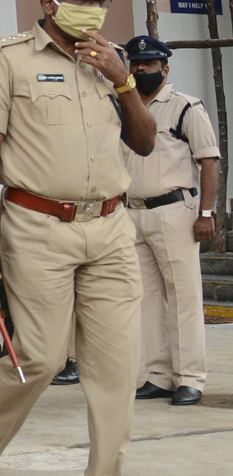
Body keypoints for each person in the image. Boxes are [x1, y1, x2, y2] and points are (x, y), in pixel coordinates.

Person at [0, 0, 156, 476]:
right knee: (41, 358)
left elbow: (144, 142)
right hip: (37, 227)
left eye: (102, 2)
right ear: (50, 3)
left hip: (112, 229)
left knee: (117, 372)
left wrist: (123, 80)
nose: (95, 11)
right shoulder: (8, 57)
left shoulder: (110, 61)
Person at [122, 35, 219, 407]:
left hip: (175, 212)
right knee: (147, 299)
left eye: (149, 64)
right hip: (133, 212)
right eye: (136, 64)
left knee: (184, 296)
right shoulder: (126, 108)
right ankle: (160, 376)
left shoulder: (184, 107)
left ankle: (191, 378)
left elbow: (208, 160)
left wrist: (206, 213)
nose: (141, 70)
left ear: (165, 67)